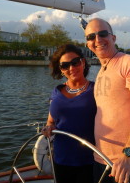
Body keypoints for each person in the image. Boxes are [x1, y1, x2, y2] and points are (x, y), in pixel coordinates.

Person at [84, 18, 130, 183]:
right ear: (87, 44)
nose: (98, 40)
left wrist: (129, 154)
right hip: (102, 159)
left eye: (102, 34)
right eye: (91, 37)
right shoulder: (102, 70)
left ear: (113, 38)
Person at [42, 44, 96, 183]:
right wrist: (49, 127)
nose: (71, 68)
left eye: (75, 62)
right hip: (61, 158)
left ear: (83, 62)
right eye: (65, 65)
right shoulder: (56, 91)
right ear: (61, 70)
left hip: (89, 160)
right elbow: (51, 121)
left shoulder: (96, 90)